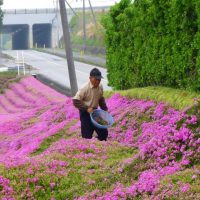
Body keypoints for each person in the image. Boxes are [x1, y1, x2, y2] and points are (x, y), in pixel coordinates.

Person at [73, 68, 108, 141]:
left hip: (95, 112)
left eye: (99, 79)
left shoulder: (100, 86)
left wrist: (104, 109)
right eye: (96, 79)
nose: (98, 81)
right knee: (87, 136)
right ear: (90, 78)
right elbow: (75, 101)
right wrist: (86, 108)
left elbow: (101, 98)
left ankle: (98, 145)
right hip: (85, 113)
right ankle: (89, 147)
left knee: (103, 133)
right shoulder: (84, 88)